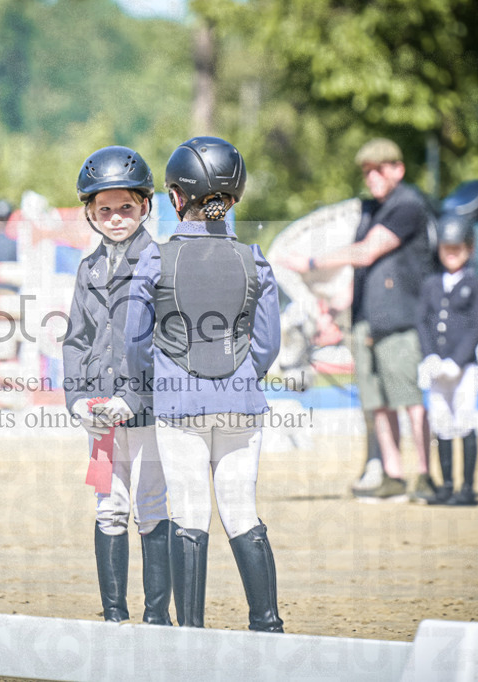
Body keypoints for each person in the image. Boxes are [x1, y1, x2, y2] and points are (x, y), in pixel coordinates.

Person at [109, 137, 284, 632]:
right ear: (234, 197)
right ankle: (268, 626)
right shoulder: (255, 258)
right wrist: (241, 378)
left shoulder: (157, 260)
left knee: (190, 514)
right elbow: (267, 344)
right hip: (242, 405)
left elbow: (136, 342)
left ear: (177, 197)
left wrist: (158, 384)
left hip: (179, 406)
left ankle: (190, 637)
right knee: (242, 511)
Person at [286, 138, 437, 502]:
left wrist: (310, 263)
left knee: (410, 400)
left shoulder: (408, 206)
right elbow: (364, 273)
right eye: (367, 171)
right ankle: (393, 475)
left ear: (398, 170)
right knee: (375, 403)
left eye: (379, 169)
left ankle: (427, 476)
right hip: (367, 319)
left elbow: (368, 253)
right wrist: (337, 307)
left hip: (400, 319)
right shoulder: (372, 210)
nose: (372, 177)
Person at [61, 146, 172, 625]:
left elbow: (165, 342)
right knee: (108, 507)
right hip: (100, 414)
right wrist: (76, 398)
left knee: (150, 508)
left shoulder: (160, 262)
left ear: (145, 207)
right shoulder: (88, 270)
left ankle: (156, 617)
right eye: (103, 210)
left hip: (144, 414)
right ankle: (112, 615)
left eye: (125, 207)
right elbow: (75, 338)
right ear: (90, 213)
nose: (115, 218)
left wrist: (137, 395)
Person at [417, 214, 478, 505]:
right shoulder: (432, 283)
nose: (451, 253)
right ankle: (446, 485)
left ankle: (467, 487)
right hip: (437, 366)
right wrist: (430, 356)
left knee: (464, 420)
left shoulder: (475, 283)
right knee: (442, 423)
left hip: (464, 367)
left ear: (469, 249)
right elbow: (422, 321)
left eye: (457, 248)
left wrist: (456, 361)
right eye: (447, 247)